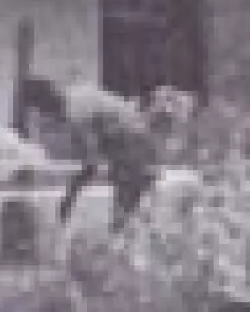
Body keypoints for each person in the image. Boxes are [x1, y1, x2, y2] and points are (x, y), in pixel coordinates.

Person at [18, 75, 161, 230]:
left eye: (39, 109)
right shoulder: (74, 100)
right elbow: (92, 161)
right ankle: (133, 222)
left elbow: (93, 164)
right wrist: (72, 194)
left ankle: (128, 229)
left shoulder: (77, 113)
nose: (43, 116)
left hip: (131, 140)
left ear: (45, 103)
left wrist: (71, 196)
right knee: (126, 198)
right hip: (126, 139)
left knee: (126, 198)